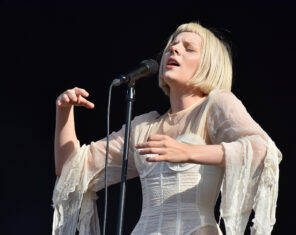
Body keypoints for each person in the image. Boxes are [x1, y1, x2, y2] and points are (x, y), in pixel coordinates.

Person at [52, 22, 282, 235]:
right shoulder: (144, 127)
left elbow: (262, 148)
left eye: (188, 48)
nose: (174, 50)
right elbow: (70, 171)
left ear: (209, 65)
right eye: (171, 46)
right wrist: (64, 112)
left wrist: (188, 152)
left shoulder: (215, 105)